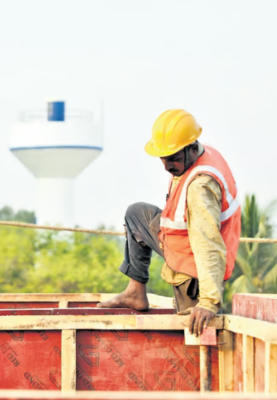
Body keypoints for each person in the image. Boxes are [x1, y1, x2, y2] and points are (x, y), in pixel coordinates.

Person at [98, 109, 241, 336]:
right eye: (163, 158)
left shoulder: (200, 187)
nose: (166, 165)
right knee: (136, 214)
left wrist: (208, 302)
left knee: (193, 336)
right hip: (178, 243)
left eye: (173, 158)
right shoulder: (197, 156)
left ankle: (199, 306)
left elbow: (208, 245)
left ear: (192, 149)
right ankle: (135, 293)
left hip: (194, 272)